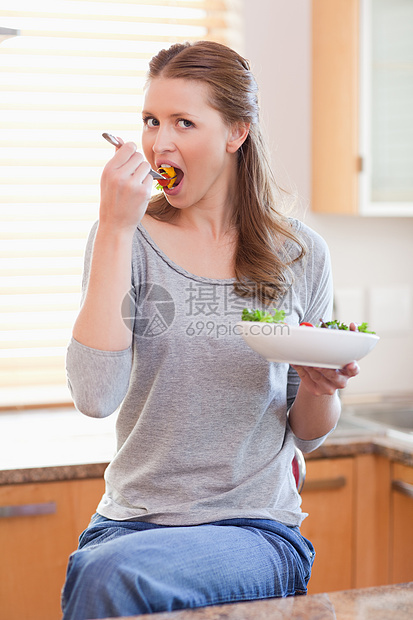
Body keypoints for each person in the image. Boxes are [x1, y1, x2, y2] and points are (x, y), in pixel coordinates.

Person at [61, 40, 359, 619]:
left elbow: (309, 433)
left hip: (253, 529)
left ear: (236, 132)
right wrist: (116, 229)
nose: (158, 142)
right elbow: (95, 397)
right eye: (150, 121)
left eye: (183, 122)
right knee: (104, 570)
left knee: (104, 579)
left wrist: (321, 388)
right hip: (128, 526)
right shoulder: (125, 239)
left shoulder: (300, 253)